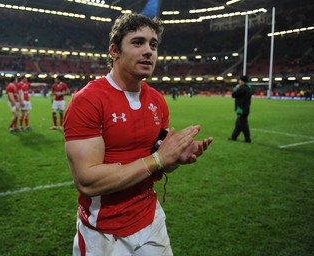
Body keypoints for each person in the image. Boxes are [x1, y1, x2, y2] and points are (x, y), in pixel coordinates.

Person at [63, 13, 213, 256]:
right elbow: (87, 180)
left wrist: (175, 159)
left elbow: (159, 163)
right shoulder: (87, 101)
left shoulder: (157, 101)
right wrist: (159, 160)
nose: (148, 51)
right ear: (114, 50)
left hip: (151, 220)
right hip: (103, 231)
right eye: (138, 42)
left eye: (153, 45)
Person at [228, 75, 252, 143]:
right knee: (238, 124)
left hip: (241, 109)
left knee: (243, 125)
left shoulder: (242, 88)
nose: (239, 82)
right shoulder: (248, 88)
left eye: (240, 80)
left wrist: (236, 88)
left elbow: (233, 95)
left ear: (242, 81)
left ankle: (247, 139)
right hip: (245, 108)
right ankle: (234, 137)